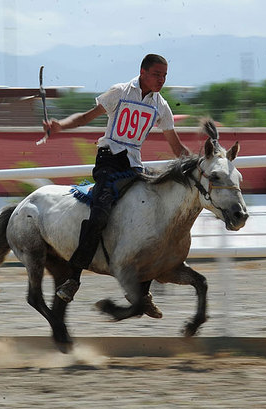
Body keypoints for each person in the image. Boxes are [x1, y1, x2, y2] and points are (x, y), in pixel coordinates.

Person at [43, 54, 190, 315]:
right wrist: (60, 125)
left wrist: (198, 165)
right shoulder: (120, 92)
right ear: (142, 72)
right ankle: (73, 278)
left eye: (165, 76)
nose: (162, 80)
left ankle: (142, 293)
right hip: (109, 164)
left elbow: (176, 146)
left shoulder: (161, 106)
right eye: (157, 74)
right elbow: (87, 117)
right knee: (99, 215)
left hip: (134, 167)